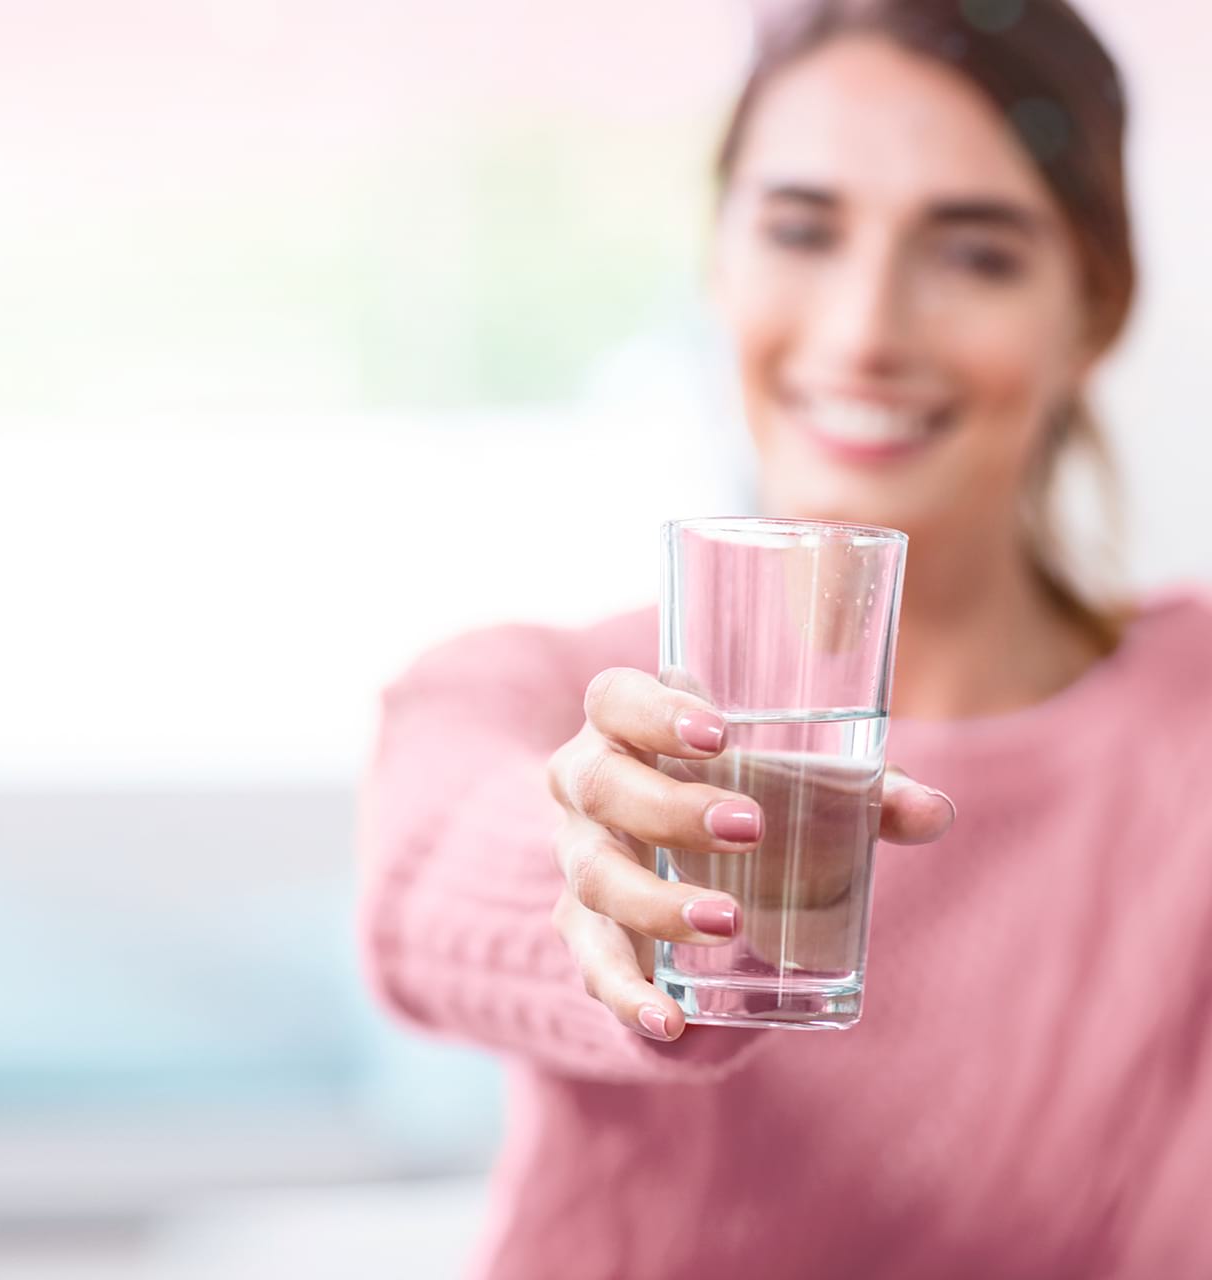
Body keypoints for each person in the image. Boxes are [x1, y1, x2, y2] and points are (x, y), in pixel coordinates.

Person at [359, 1, 1212, 1276]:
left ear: (1090, 309)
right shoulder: (533, 693)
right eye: (800, 231)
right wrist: (606, 873)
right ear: (718, 265)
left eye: (972, 254)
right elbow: (430, 875)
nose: (865, 330)